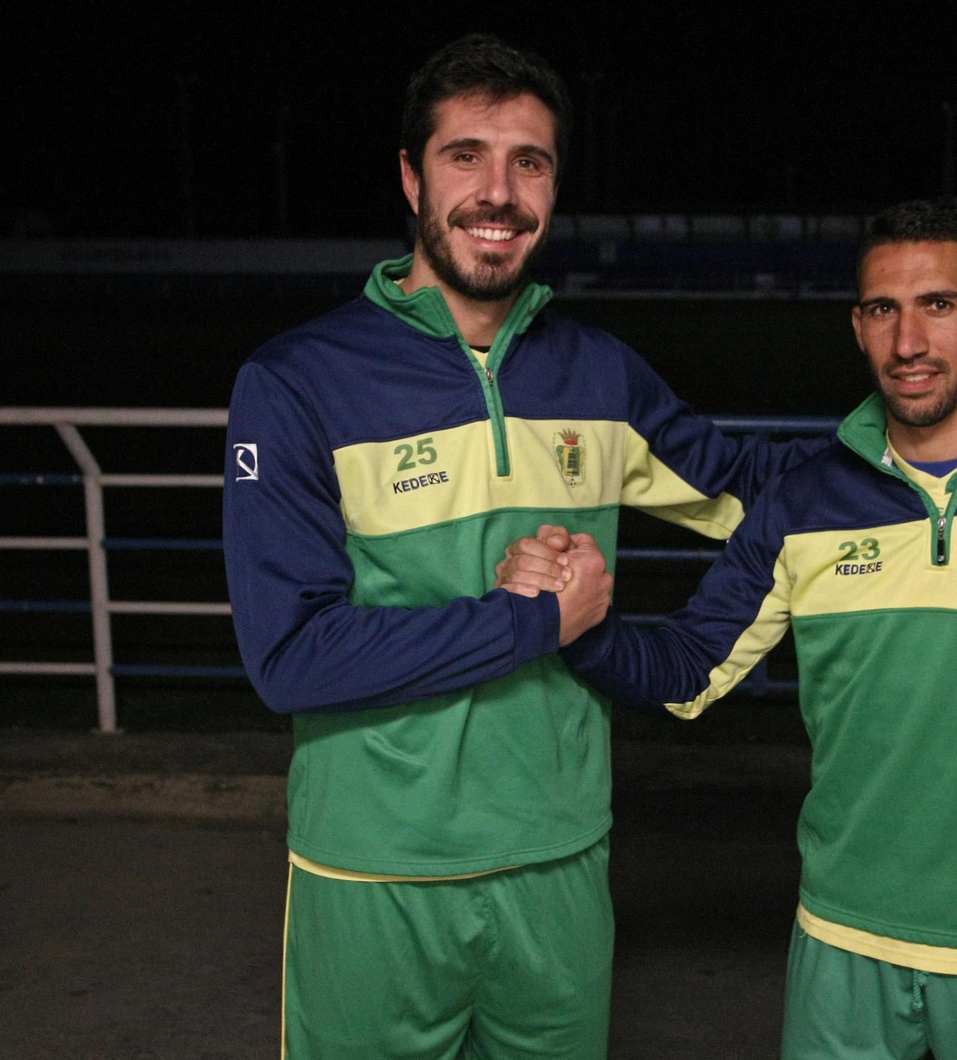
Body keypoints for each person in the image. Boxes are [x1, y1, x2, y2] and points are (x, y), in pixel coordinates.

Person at [221, 34, 818, 1060]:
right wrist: (528, 623)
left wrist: (938, 441)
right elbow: (291, 657)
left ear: (552, 188)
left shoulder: (600, 374)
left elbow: (757, 489)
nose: (496, 192)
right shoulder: (295, 382)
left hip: (560, 859)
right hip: (375, 870)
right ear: (411, 177)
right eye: (466, 156)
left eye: (528, 162)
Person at [510, 199, 957, 1059]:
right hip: (846, 936)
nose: (908, 341)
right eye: (884, 309)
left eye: (940, 305)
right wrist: (580, 626)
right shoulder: (804, 502)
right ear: (858, 325)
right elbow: (692, 668)